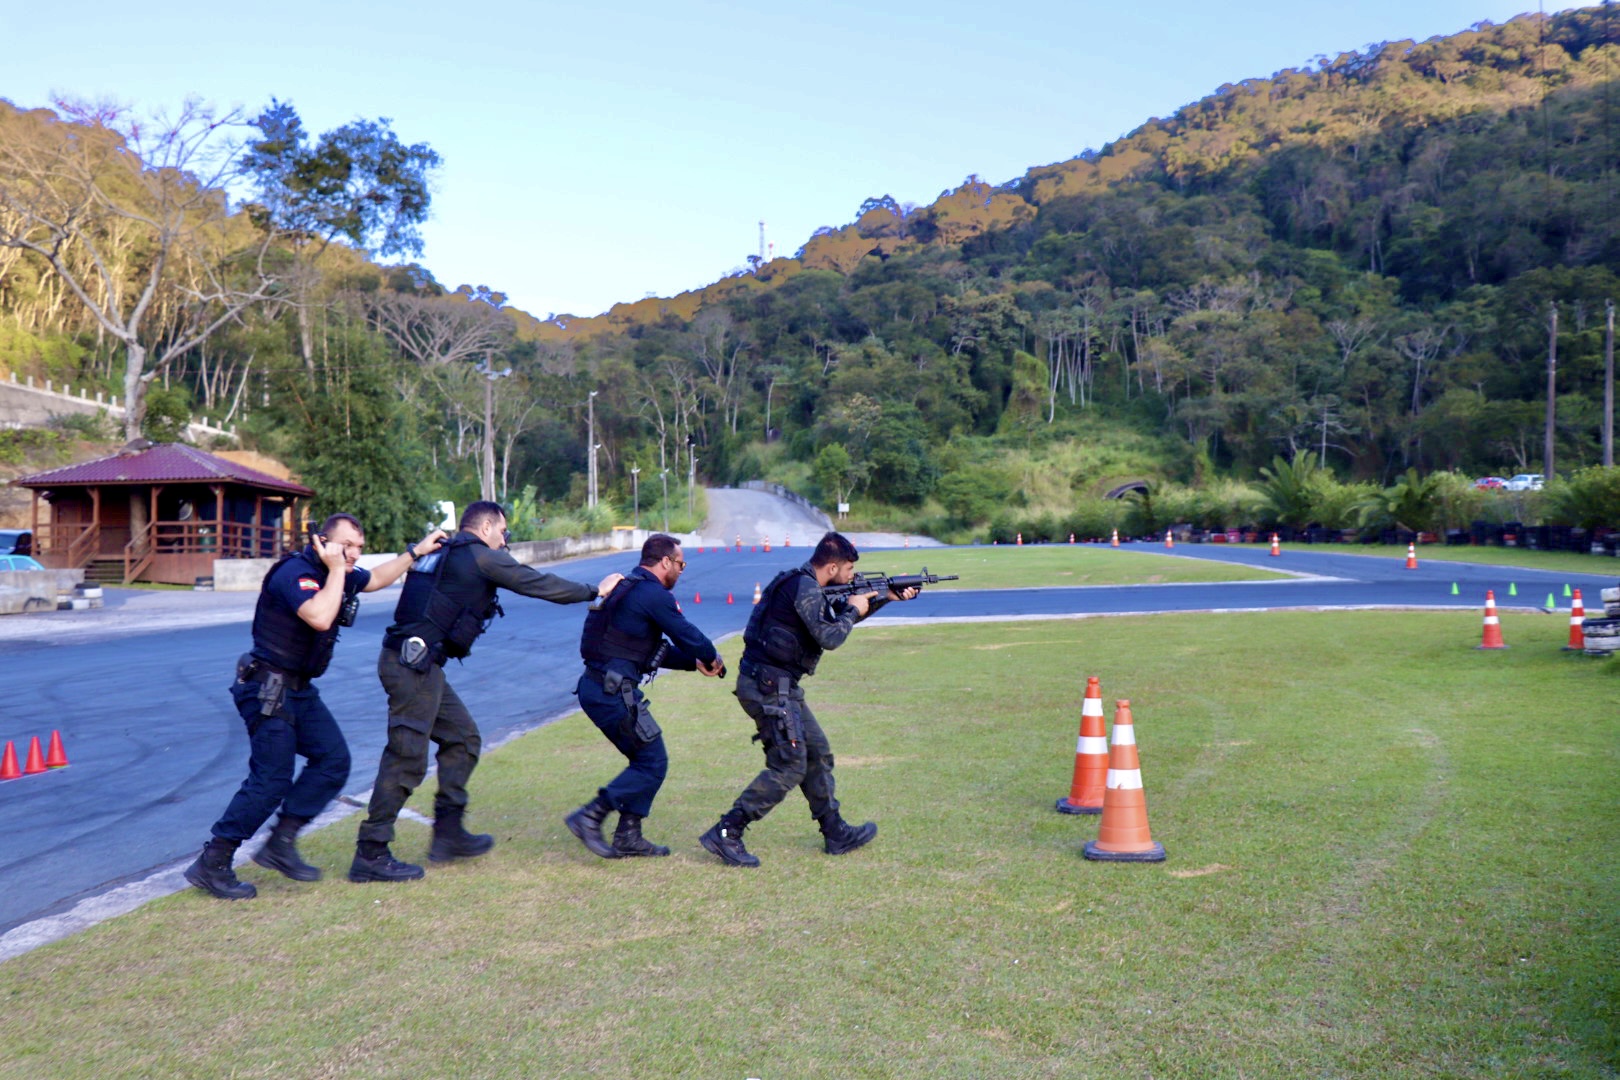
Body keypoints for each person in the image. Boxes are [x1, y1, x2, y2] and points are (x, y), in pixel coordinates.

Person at [351, 500, 623, 883]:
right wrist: (595, 590)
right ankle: (372, 850)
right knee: (406, 757)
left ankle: (448, 834)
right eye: (503, 532)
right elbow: (536, 583)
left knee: (462, 739)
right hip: (410, 667)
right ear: (486, 528)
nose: (505, 541)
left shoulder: (442, 551)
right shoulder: (480, 556)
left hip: (415, 664)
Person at [184, 513, 447, 900]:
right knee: (271, 779)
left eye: (359, 546)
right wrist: (338, 568)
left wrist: (415, 552)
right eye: (348, 545)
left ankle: (280, 843)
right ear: (321, 542)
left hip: (298, 690)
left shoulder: (338, 570)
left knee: (333, 759)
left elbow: (375, 580)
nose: (355, 553)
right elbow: (321, 617)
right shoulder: (295, 573)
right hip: (267, 688)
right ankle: (214, 861)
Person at [699, 531, 917, 868]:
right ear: (831, 567)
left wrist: (884, 597)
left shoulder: (803, 585)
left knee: (817, 753)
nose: (851, 577)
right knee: (789, 764)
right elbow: (831, 635)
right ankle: (727, 831)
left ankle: (835, 832)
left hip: (780, 685)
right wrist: (852, 611)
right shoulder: (803, 588)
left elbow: (831, 621)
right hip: (767, 686)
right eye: (848, 571)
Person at [565, 534, 725, 859]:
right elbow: (688, 635)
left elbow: (645, 650)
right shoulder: (652, 594)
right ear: (665, 561)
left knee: (645, 758)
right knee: (653, 761)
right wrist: (710, 657)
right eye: (681, 564)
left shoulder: (623, 588)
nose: (682, 571)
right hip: (612, 692)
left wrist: (693, 663)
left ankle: (629, 836)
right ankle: (591, 816)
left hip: (595, 686)